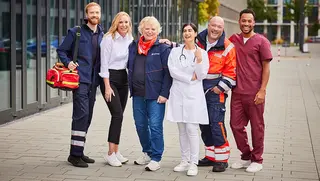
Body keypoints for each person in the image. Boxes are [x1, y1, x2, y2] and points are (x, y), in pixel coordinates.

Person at [56, 2, 104, 168]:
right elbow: (61, 50)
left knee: (87, 116)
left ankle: (79, 150)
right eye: (92, 12)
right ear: (86, 14)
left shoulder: (102, 35)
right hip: (79, 80)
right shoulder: (76, 32)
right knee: (81, 115)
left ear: (100, 14)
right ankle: (74, 155)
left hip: (93, 82)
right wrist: (68, 63)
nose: (94, 15)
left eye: (97, 12)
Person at [229, 9, 272, 173]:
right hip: (237, 92)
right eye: (243, 20)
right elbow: (212, 41)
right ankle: (246, 155)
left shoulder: (262, 41)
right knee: (235, 125)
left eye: (249, 21)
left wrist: (262, 90)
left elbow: (266, 67)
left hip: (255, 93)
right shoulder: (233, 40)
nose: (246, 24)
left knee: (257, 126)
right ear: (239, 21)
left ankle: (257, 159)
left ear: (254, 23)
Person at [127, 16, 172, 171]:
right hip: (138, 93)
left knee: (155, 126)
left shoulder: (163, 48)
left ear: (158, 31)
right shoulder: (133, 46)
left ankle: (156, 157)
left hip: (156, 94)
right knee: (140, 125)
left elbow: (168, 73)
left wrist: (165, 93)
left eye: (153, 29)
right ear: (141, 30)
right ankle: (147, 152)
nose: (150, 31)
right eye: (147, 28)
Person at [166, 23, 209, 176]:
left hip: (193, 96)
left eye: (190, 30)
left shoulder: (202, 53)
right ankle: (184, 160)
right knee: (182, 129)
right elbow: (172, 70)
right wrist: (190, 77)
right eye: (185, 31)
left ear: (196, 33)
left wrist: (198, 61)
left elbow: (202, 75)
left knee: (191, 128)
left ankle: (193, 162)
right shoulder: (175, 52)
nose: (187, 33)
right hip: (178, 93)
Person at [196, 16, 236, 172]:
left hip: (215, 91)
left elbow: (231, 73)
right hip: (197, 90)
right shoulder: (197, 40)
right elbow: (183, 50)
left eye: (219, 26)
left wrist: (219, 88)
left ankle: (222, 159)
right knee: (204, 124)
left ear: (223, 28)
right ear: (208, 25)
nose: (215, 29)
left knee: (216, 123)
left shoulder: (228, 47)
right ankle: (211, 156)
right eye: (213, 25)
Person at [99, 12, 133, 167]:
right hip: (109, 79)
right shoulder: (108, 39)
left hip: (123, 79)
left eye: (126, 22)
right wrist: (106, 86)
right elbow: (104, 64)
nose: (124, 25)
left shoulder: (130, 40)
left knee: (119, 116)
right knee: (117, 114)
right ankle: (110, 154)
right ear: (116, 24)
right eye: (121, 22)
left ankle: (116, 151)